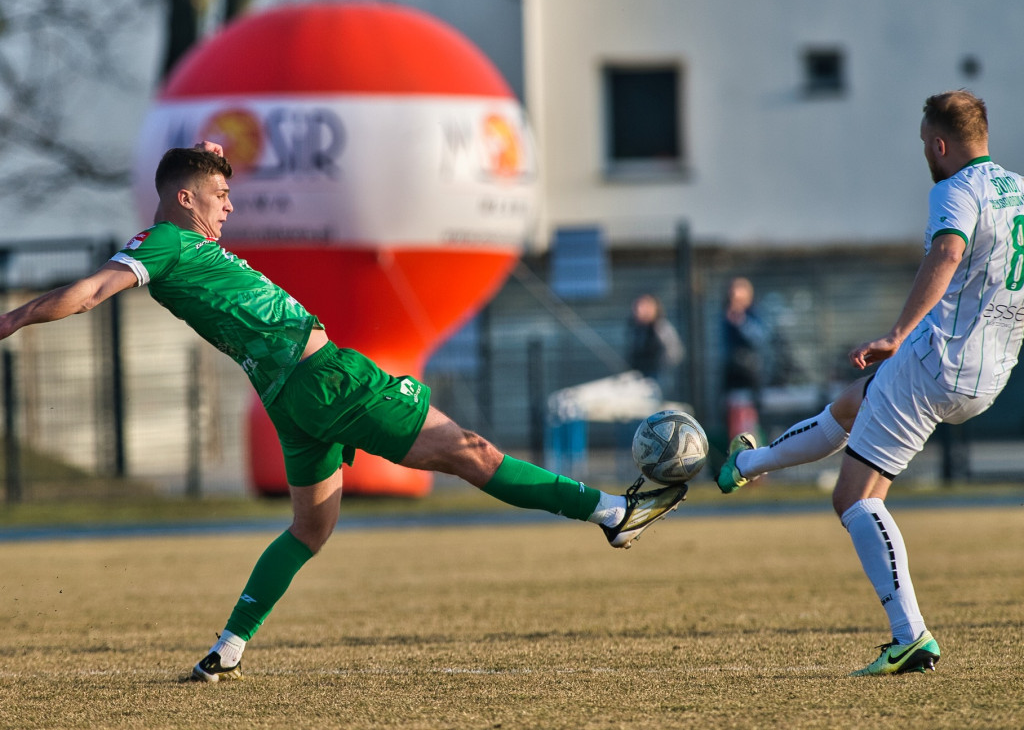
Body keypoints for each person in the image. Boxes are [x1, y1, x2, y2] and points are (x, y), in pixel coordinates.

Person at [0, 143, 688, 682]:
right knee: (470, 451)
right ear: (184, 199)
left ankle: (229, 647)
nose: (229, 208)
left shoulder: (182, 244)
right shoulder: (163, 246)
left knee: (311, 527)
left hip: (292, 403)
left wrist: (209, 161)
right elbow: (90, 292)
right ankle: (611, 512)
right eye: (219, 197)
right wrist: (13, 318)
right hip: (327, 379)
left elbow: (177, 213)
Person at [715, 90, 1024, 676]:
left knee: (854, 498)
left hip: (937, 359)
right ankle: (746, 466)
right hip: (991, 374)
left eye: (923, 144)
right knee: (854, 404)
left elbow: (949, 252)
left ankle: (910, 637)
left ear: (939, 143)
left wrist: (897, 332)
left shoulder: (955, 189)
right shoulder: (1021, 191)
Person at [721, 277, 769, 440]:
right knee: (734, 415)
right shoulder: (726, 316)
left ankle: (753, 452)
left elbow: (759, 339)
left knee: (748, 416)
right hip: (732, 374)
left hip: (750, 374)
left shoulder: (752, 315)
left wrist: (741, 321)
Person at [626, 293, 684, 397]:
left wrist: (662, 369)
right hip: (640, 378)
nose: (639, 310)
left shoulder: (662, 328)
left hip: (659, 378)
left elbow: (675, 353)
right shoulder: (636, 329)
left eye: (644, 307)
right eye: (637, 307)